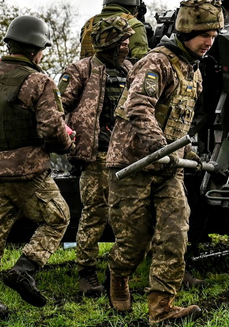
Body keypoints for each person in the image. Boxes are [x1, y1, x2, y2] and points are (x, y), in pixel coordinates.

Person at [105, 0, 224, 325]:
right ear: (186, 31)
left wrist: (189, 154)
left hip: (169, 170)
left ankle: (161, 308)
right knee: (133, 243)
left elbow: (181, 121)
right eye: (204, 35)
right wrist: (162, 147)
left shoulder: (193, 72)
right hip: (134, 165)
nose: (209, 43)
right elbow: (138, 107)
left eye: (214, 36)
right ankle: (118, 275)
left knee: (175, 234)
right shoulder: (155, 63)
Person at [0, 15, 75, 323]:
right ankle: (24, 270)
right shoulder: (39, 82)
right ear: (35, 50)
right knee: (59, 218)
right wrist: (67, 142)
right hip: (28, 173)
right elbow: (53, 132)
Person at [58, 16, 135, 297]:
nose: (126, 46)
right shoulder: (81, 70)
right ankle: (86, 273)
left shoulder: (131, 69)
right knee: (94, 214)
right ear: (108, 43)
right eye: (122, 42)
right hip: (95, 156)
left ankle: (118, 272)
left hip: (125, 157)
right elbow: (57, 106)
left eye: (128, 41)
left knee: (127, 216)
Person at [79, 0, 149, 61]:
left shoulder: (88, 24)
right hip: (120, 73)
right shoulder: (133, 24)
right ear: (134, 3)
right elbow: (142, 60)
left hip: (84, 72)